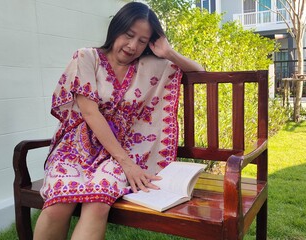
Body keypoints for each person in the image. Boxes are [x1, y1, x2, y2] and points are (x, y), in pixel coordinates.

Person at [33, 2, 204, 240]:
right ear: (116, 28)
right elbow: (91, 113)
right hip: (75, 149)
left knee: (98, 203)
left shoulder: (148, 67)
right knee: (58, 205)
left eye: (142, 41)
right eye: (129, 34)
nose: (133, 46)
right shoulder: (87, 57)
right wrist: (128, 164)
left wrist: (168, 52)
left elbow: (200, 72)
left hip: (119, 152)